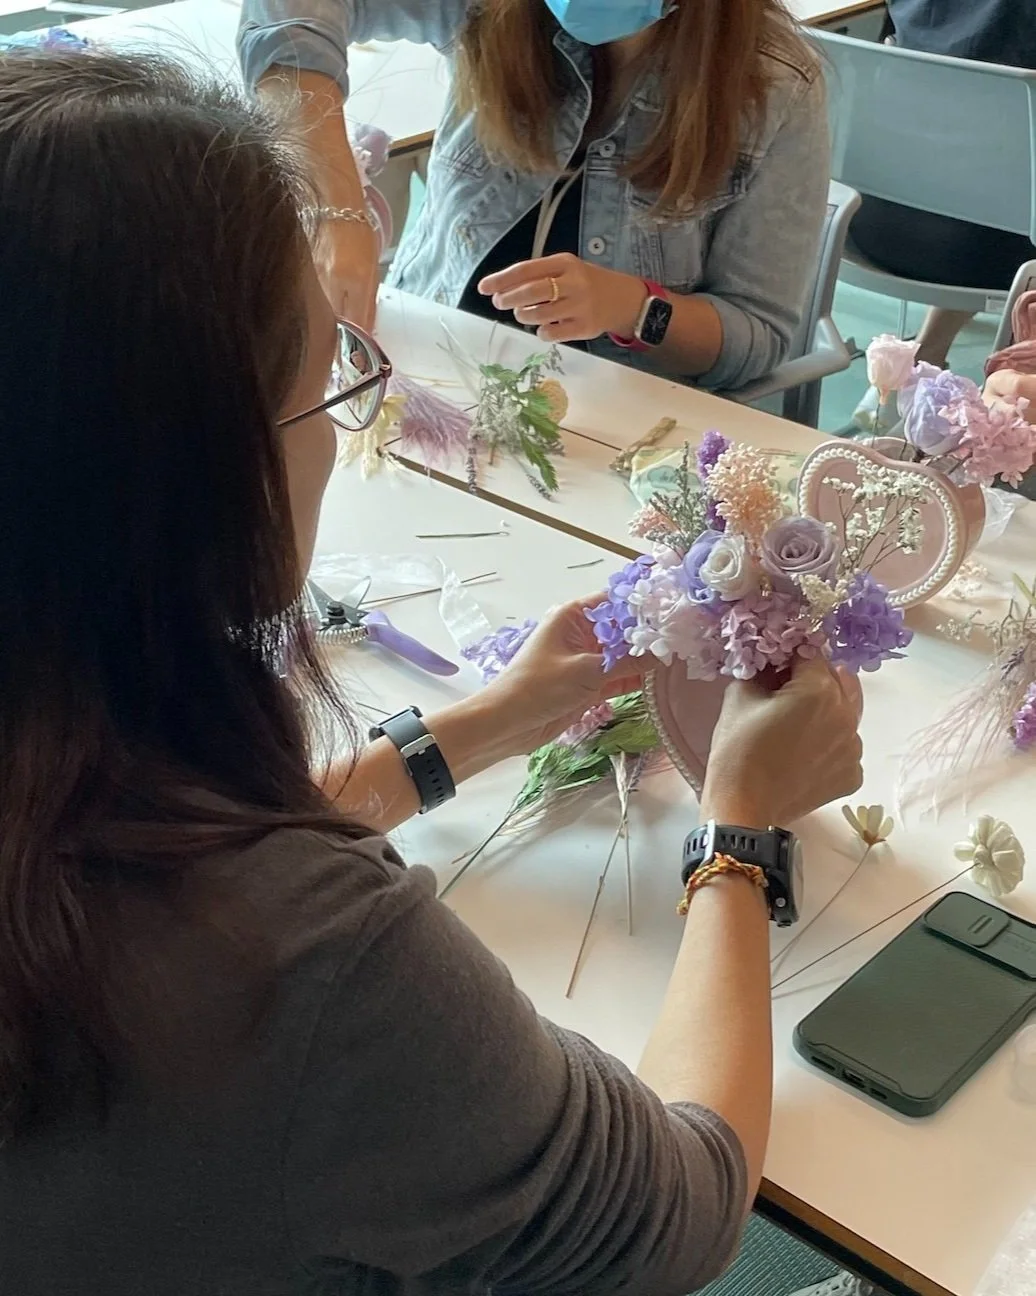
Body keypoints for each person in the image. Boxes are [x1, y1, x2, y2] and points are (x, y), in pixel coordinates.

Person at [0, 51, 864, 1294]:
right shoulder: (315, 973)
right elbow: (684, 1202)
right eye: (326, 390)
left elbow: (167, 852)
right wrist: (740, 834)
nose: (340, 442)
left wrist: (481, 726)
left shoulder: (77, 768)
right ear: (201, 470)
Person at [238, 0, 830, 393]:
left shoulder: (776, 87)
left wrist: (631, 306)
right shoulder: (491, 10)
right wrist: (336, 205)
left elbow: (756, 336)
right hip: (426, 372)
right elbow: (286, 16)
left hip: (608, 429)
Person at [851, 0, 1036, 376]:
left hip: (877, 216)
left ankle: (922, 356)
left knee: (976, 150)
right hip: (993, 244)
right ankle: (1015, 383)